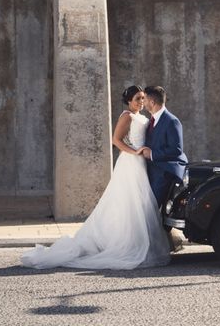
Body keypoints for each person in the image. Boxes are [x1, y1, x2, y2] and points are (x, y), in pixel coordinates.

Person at [20, 86, 170, 270]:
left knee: (139, 204)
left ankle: (136, 239)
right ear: (129, 101)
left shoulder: (143, 117)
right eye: (137, 98)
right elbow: (116, 140)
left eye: (142, 98)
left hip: (142, 163)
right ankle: (121, 242)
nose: (140, 101)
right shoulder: (126, 116)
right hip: (131, 162)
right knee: (127, 202)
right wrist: (135, 152)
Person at [140, 86, 188, 207]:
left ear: (152, 102)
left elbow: (176, 150)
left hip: (165, 171)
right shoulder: (151, 120)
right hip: (151, 169)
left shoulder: (172, 121)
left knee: (150, 207)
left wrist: (151, 154)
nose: (143, 102)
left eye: (144, 99)